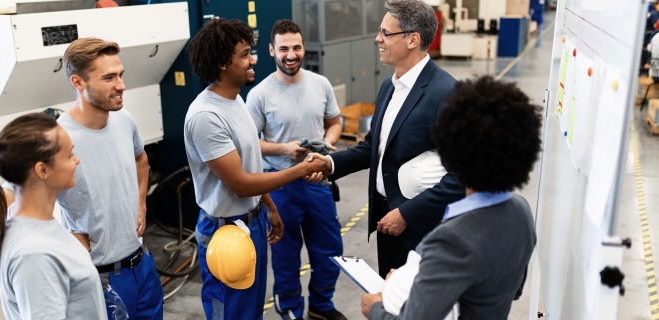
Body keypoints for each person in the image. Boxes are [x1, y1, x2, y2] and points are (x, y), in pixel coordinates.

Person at [361, 75, 541, 319]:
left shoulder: (451, 239)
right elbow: (512, 289)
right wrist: (415, 280)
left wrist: (375, 309)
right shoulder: (522, 211)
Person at [184, 18, 328, 320]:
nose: (253, 60)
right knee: (233, 313)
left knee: (251, 312)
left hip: (252, 222)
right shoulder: (206, 116)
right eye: (245, 54)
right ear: (224, 62)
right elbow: (241, 184)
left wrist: (270, 208)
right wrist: (301, 169)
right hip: (225, 231)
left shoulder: (235, 99)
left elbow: (250, 166)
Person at [309, 0, 465, 278]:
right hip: (385, 218)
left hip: (422, 226)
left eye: (385, 33)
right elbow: (374, 146)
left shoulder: (447, 93)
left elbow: (462, 177)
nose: (377, 38)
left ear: (412, 40)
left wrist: (407, 214)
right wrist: (330, 164)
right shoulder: (388, 87)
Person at [246, 19, 346, 320]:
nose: (291, 54)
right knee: (286, 256)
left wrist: (327, 144)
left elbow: (335, 123)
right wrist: (284, 149)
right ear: (271, 50)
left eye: (297, 47)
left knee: (329, 251)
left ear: (304, 48)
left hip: (317, 181)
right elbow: (250, 144)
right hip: (281, 187)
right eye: (284, 48)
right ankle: (290, 310)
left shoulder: (320, 84)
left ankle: (321, 305)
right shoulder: (260, 94)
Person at [58, 37, 164, 318]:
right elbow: (26, 204)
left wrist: (141, 203)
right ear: (78, 82)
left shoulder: (123, 119)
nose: (121, 85)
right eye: (109, 78)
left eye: (120, 75)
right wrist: (62, 236)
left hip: (142, 265)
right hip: (99, 278)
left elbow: (141, 159)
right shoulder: (58, 139)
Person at [0, 113, 107, 319]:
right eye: (69, 155)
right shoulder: (33, 253)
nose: (77, 161)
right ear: (42, 170)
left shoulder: (40, 225)